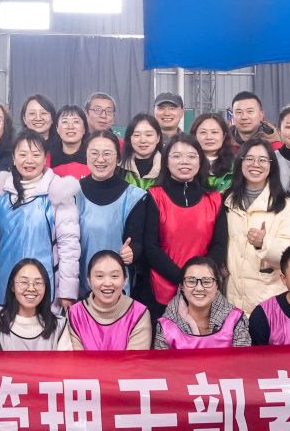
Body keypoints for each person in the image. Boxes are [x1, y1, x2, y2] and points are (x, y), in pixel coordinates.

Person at [124, 135, 227, 309]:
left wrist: (200, 278)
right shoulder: (154, 197)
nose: (184, 161)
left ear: (200, 161)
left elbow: (219, 245)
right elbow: (151, 247)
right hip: (161, 287)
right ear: (166, 161)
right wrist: (183, 279)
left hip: (204, 287)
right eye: (177, 156)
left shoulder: (214, 199)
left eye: (191, 156)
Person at [0, 133, 80, 307]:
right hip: (4, 281)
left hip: (44, 283)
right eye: (23, 154)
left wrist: (67, 291)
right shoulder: (1, 192)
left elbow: (68, 245)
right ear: (14, 158)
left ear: (45, 159)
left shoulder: (58, 191)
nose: (29, 160)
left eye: (35, 154)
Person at [220, 142, 290, 312]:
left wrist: (263, 243)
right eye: (249, 159)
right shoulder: (226, 200)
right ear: (240, 162)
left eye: (263, 160)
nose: (255, 164)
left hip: (268, 303)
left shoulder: (285, 205)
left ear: (272, 165)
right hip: (231, 301)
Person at [74, 130, 144, 298]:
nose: (100, 159)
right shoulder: (72, 193)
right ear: (86, 156)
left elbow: (139, 242)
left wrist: (132, 252)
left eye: (107, 154)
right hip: (79, 288)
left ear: (118, 158)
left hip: (118, 289)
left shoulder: (134, 197)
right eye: (94, 153)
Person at [58, 250, 153, 350]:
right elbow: (77, 358)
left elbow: (135, 358)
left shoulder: (139, 314)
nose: (107, 283)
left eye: (114, 276)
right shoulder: (74, 314)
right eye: (99, 276)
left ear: (125, 279)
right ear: (89, 280)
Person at [152, 255, 235, 349]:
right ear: (182, 287)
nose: (199, 288)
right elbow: (161, 358)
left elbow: (243, 358)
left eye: (206, 282)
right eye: (191, 281)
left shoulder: (235, 320)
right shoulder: (166, 326)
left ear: (217, 286)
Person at [0, 258, 60, 351]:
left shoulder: (60, 325)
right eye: (24, 282)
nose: (31, 288)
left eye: (38, 283)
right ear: (12, 286)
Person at [223, 90, 273, 160]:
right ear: (233, 116)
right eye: (239, 112)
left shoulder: (274, 143)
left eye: (250, 111)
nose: (244, 117)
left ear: (261, 115)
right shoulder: (223, 142)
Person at [120, 113, 166, 189]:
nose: (143, 140)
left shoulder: (167, 168)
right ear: (130, 138)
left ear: (158, 138)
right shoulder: (118, 168)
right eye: (137, 135)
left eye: (148, 135)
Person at [49, 105, 89, 175]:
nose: (70, 127)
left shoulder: (93, 156)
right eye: (65, 122)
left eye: (76, 122)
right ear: (57, 128)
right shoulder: (48, 158)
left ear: (84, 129)